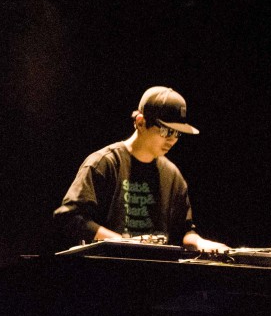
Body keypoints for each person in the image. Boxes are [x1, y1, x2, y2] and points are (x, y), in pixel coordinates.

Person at [54, 85, 228, 251]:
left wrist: (203, 243)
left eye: (177, 133)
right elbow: (70, 217)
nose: (172, 139)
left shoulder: (173, 175)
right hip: (106, 272)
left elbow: (184, 231)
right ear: (140, 122)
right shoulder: (104, 163)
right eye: (166, 131)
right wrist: (123, 243)